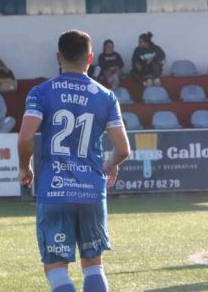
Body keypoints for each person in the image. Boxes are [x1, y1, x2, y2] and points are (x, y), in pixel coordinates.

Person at [17, 30, 131, 292]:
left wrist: (25, 167)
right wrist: (111, 163)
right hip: (91, 191)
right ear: (90, 58)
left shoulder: (41, 92)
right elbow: (123, 150)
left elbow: (25, 137)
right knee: (93, 265)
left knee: (56, 267)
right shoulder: (106, 96)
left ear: (58, 57)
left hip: (55, 191)